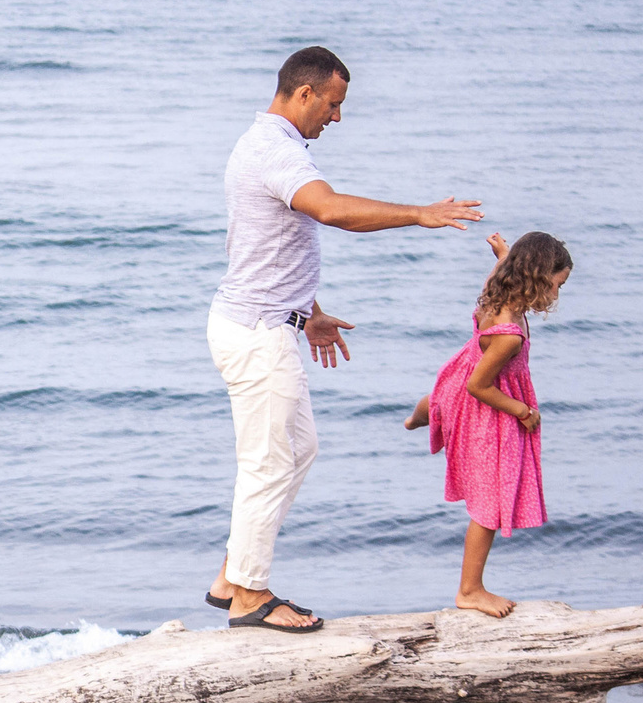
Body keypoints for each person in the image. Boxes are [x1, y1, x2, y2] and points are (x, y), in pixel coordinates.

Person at [204, 46, 486, 632]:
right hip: (256, 334)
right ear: (304, 94)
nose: (336, 117)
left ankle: (233, 574)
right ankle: (250, 596)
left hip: (264, 322)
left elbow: (270, 251)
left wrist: (312, 314)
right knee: (269, 461)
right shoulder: (274, 152)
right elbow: (329, 211)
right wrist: (419, 214)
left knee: (295, 451)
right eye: (332, 105)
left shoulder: (272, 147)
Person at [406, 231, 573, 618]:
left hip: (456, 381)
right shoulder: (509, 336)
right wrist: (521, 411)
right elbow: (479, 386)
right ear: (536, 278)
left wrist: (502, 255)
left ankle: (421, 416)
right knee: (489, 506)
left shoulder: (495, 295)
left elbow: (499, 272)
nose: (557, 294)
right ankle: (470, 590)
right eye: (557, 284)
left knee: (443, 400)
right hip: (483, 400)